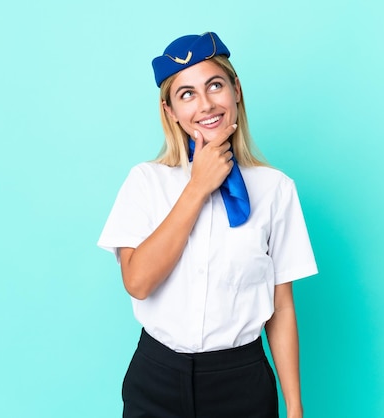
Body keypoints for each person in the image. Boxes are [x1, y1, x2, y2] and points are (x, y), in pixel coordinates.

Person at [97, 31, 318, 418]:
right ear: (170, 111)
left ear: (236, 90)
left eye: (214, 85)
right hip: (156, 378)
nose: (206, 104)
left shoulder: (276, 189)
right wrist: (198, 187)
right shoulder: (146, 182)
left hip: (241, 384)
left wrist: (295, 407)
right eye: (187, 94)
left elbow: (280, 307)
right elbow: (138, 282)